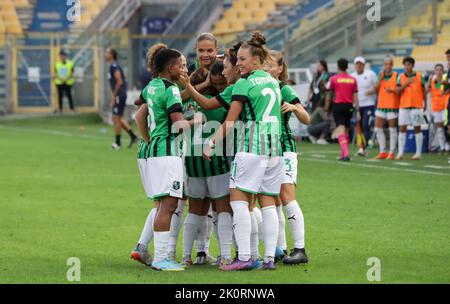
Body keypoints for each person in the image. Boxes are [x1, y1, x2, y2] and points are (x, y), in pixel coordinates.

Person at [203, 32, 284, 271]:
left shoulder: (243, 83)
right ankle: (269, 258)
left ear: (256, 61)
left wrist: (211, 142)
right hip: (275, 148)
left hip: (251, 147)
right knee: (268, 203)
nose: (238, 63)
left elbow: (230, 122)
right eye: (237, 59)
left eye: (242, 59)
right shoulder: (272, 82)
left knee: (238, 202)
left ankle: (246, 257)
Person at [141, 45, 201, 271]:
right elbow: (178, 124)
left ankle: (161, 256)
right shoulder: (171, 89)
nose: (183, 69)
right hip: (168, 152)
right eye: (180, 66)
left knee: (163, 205)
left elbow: (142, 110)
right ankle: (161, 258)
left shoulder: (151, 87)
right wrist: (196, 121)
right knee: (168, 205)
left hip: (155, 151)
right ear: (170, 68)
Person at [265, 50, 310, 265]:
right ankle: (280, 248)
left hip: (284, 149)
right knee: (272, 199)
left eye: (271, 65)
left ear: (280, 68)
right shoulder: (261, 87)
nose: (266, 68)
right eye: (264, 64)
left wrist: (294, 107)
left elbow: (306, 118)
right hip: (267, 148)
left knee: (286, 196)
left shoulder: (284, 88)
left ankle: (300, 249)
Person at [325, 58, 360, 161]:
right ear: (347, 67)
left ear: (338, 66)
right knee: (346, 131)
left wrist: (327, 107)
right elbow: (355, 96)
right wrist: (357, 110)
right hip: (349, 107)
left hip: (338, 106)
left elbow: (329, 94)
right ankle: (343, 153)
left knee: (340, 130)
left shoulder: (334, 79)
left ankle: (346, 154)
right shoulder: (353, 79)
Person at [104, 48, 138, 150]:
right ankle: (133, 136)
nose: (105, 54)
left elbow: (119, 82)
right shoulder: (112, 66)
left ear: (112, 55)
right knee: (117, 118)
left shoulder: (114, 66)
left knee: (116, 118)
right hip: (120, 94)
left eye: (107, 53)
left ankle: (118, 143)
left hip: (120, 94)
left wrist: (114, 97)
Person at [396, 56, 426, 160]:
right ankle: (400, 153)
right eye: (405, 64)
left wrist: (425, 102)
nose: (407, 66)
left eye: (409, 64)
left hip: (416, 106)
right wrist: (406, 83)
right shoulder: (400, 77)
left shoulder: (419, 75)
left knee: (417, 128)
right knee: (402, 128)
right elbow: (397, 91)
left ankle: (418, 153)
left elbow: (424, 90)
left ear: (413, 65)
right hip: (403, 106)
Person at [374, 56, 400, 160]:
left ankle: (392, 152)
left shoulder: (397, 75)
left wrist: (392, 90)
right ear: (383, 65)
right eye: (386, 64)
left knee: (392, 130)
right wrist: (380, 79)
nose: (388, 66)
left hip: (392, 106)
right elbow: (376, 89)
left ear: (392, 65)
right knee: (377, 128)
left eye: (389, 64)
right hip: (381, 105)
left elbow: (399, 90)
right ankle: (382, 151)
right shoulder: (380, 75)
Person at [351, 56, 377, 156]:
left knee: (366, 124)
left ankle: (365, 146)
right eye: (357, 64)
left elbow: (376, 86)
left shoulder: (370, 74)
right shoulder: (352, 76)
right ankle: (361, 147)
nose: (358, 65)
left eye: (360, 64)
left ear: (364, 65)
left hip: (368, 104)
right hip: (357, 105)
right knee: (358, 127)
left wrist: (372, 91)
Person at [427, 64, 449, 152]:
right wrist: (429, 81)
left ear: (443, 71)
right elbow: (427, 90)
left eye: (440, 70)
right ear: (435, 71)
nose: (439, 71)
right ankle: (442, 146)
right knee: (439, 128)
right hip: (436, 107)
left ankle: (447, 144)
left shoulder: (445, 80)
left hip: (445, 107)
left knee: (446, 127)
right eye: (437, 70)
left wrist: (445, 91)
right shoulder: (432, 81)